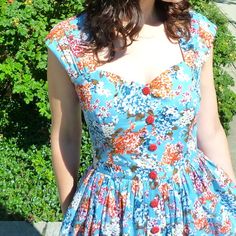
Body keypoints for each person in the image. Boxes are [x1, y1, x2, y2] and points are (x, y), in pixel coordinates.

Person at [45, 0, 236, 235]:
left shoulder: (194, 32)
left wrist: (231, 202)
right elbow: (66, 137)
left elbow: (210, 131)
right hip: (110, 213)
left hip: (193, 209)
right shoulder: (69, 43)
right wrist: (72, 216)